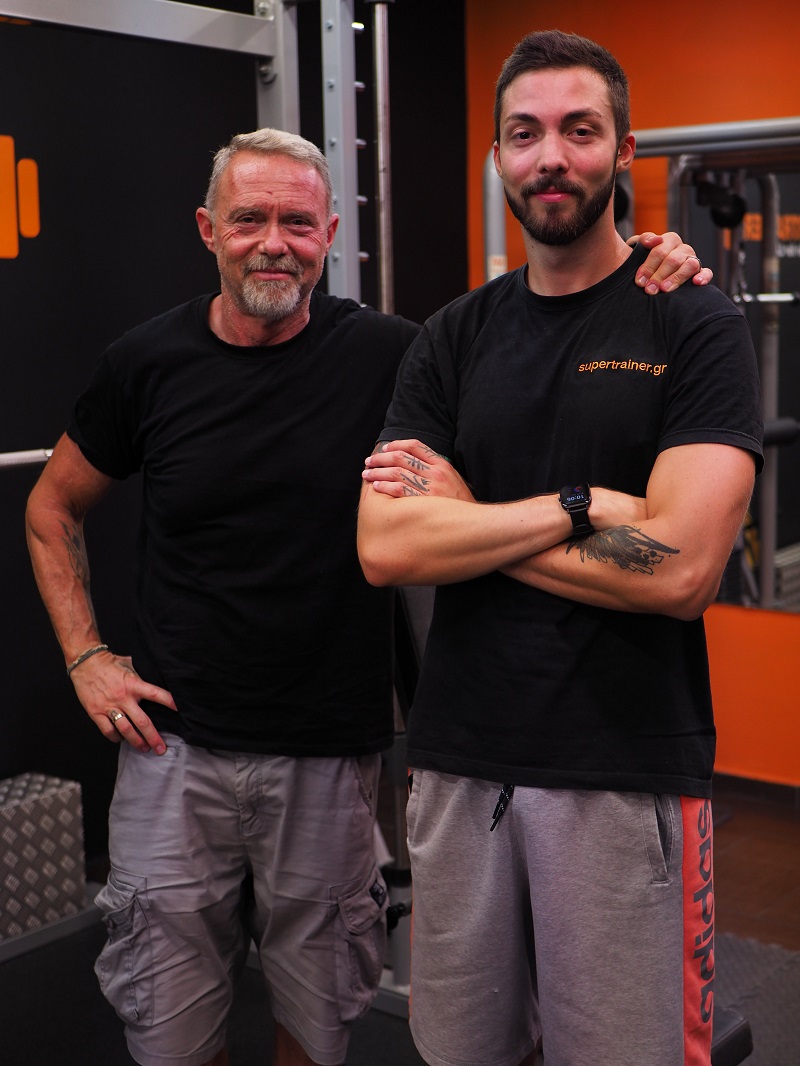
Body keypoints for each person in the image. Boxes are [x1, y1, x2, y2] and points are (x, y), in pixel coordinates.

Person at [25, 123, 708, 1066]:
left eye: (298, 223)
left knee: (319, 1023)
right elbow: (51, 506)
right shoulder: (146, 363)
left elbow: (544, 341)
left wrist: (647, 267)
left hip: (331, 754)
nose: (274, 243)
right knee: (168, 1030)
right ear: (208, 229)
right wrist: (86, 657)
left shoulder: (395, 354)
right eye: (250, 220)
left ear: (331, 233)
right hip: (171, 750)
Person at [357, 30, 763, 1066]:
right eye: (525, 133)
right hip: (458, 765)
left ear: (622, 150)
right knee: (460, 1052)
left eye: (579, 131)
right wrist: (579, 506)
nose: (551, 157)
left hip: (622, 766)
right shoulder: (451, 335)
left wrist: (471, 520)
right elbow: (387, 546)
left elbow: (680, 570)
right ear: (497, 154)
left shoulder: (693, 324)